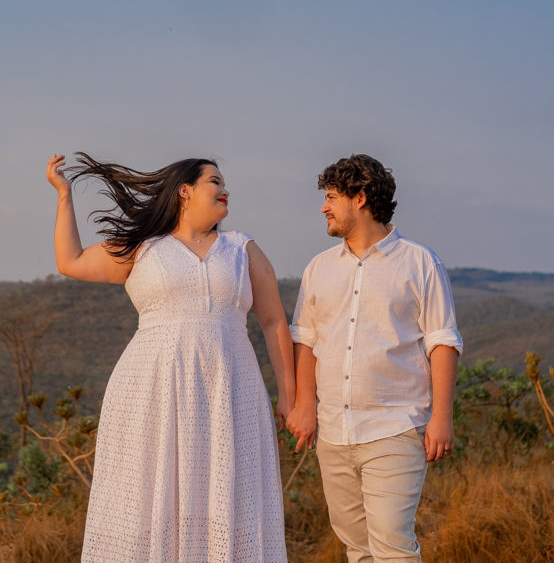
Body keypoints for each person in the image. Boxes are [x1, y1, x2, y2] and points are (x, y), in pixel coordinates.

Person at [45, 152, 295, 563]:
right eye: (215, 181)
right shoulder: (143, 248)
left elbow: (274, 322)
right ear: (185, 191)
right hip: (152, 390)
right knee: (151, 498)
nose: (225, 189)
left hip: (229, 390)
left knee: (228, 494)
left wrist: (289, 395)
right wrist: (63, 195)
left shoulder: (240, 248)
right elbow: (69, 261)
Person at [284, 154, 461, 563]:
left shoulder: (420, 262)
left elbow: (443, 341)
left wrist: (441, 417)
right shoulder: (318, 268)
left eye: (331, 197)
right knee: (357, 549)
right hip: (333, 433)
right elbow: (307, 341)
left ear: (360, 198)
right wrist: (306, 405)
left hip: (395, 426)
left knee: (392, 546)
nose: (324, 207)